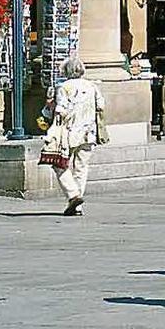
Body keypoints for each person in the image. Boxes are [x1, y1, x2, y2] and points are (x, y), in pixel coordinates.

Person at [46, 55, 105, 215]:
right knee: (81, 167)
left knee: (59, 164)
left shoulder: (63, 87)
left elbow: (60, 111)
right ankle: (78, 205)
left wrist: (50, 107)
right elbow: (101, 105)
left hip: (69, 133)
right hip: (89, 133)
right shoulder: (92, 86)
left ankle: (73, 195)